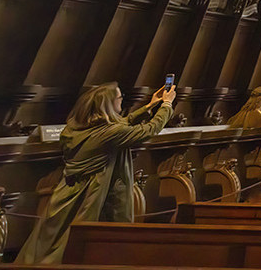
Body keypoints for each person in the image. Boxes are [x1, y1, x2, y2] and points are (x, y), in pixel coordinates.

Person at [15, 81, 176, 264]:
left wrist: (149, 105)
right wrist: (167, 105)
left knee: (54, 237)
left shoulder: (75, 128)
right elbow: (148, 130)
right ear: (108, 104)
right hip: (91, 195)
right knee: (76, 242)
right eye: (119, 98)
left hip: (68, 190)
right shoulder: (109, 133)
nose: (122, 100)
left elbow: (119, 124)